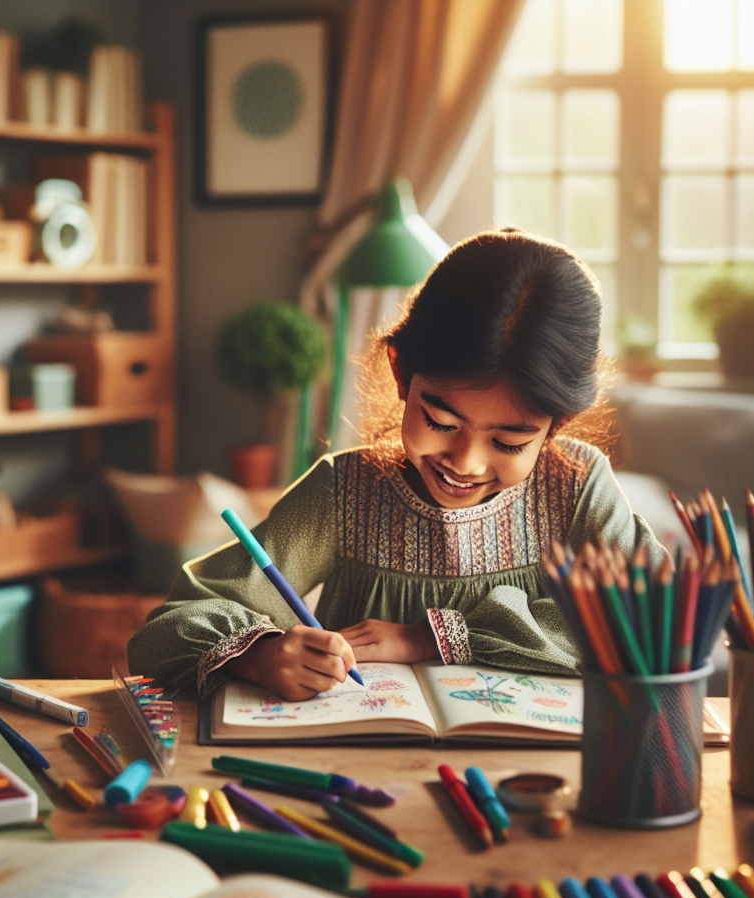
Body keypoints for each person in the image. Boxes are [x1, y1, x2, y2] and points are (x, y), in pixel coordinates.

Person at [128, 228, 663, 702]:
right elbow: (165, 631)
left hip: (542, 776)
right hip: (362, 773)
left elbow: (653, 621)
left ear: (557, 424)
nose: (466, 463)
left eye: (508, 442)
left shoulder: (575, 489)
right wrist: (260, 654)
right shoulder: (347, 490)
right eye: (442, 422)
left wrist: (432, 637)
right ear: (401, 372)